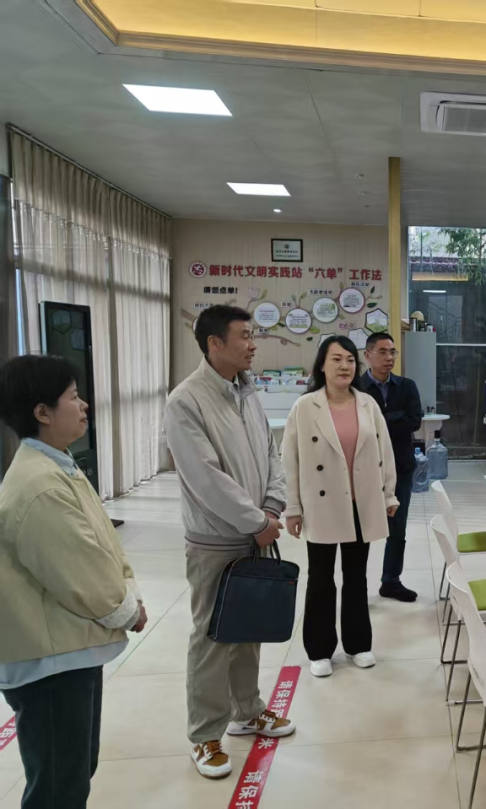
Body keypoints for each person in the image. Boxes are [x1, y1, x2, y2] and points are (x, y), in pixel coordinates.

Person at [0, 355, 148, 809]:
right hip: (49, 661)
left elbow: (102, 545)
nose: (84, 406)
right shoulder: (39, 484)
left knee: (73, 770)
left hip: (64, 651)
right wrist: (127, 608)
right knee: (58, 786)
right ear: (42, 412)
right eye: (73, 397)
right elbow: (80, 571)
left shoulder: (55, 465)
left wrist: (126, 589)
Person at [163, 305, 294, 780]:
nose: (253, 344)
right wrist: (255, 520)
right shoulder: (186, 401)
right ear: (214, 343)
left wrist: (272, 508)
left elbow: (271, 453)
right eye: (244, 336)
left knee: (248, 628)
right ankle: (204, 735)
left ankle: (248, 711)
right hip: (216, 540)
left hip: (256, 531)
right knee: (213, 636)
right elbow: (205, 478)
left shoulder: (247, 391)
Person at [282, 337, 398, 678]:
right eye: (336, 359)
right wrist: (293, 507)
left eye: (349, 359)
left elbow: (384, 452)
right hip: (321, 504)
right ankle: (319, 650)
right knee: (320, 579)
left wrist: (389, 495)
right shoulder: (305, 407)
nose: (345, 366)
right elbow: (289, 461)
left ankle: (358, 644)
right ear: (322, 365)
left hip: (360, 504)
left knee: (356, 577)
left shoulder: (367, 404)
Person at [358, 332, 423, 603]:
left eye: (392, 352)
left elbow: (414, 421)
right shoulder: (357, 388)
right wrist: (395, 418)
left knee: (397, 528)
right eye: (383, 352)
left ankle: (391, 581)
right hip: (363, 471)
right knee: (360, 531)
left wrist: (380, 422)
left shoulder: (407, 386)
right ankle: (356, 586)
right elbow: (358, 427)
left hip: (400, 468)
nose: (389, 357)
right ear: (368, 355)